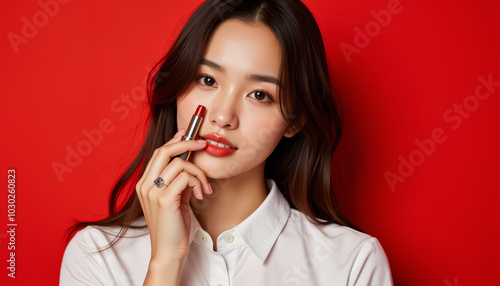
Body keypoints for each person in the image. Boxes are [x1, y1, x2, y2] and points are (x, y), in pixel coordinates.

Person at [59, 0, 394, 285]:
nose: (222, 116)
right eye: (207, 80)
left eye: (260, 94)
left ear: (296, 120)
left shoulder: (352, 263)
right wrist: (163, 264)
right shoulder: (98, 255)